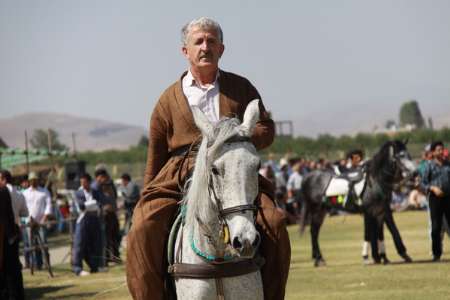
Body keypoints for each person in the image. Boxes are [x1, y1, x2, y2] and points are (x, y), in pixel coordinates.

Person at [126, 17, 290, 300]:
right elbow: (155, 153)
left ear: (221, 49)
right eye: (198, 41)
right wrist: (146, 194)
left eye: (211, 41)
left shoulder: (241, 87)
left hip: (233, 170)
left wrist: (238, 136)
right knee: (142, 228)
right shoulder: (167, 100)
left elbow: (266, 126)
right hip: (180, 174)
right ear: (185, 51)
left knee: (274, 221)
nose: (205, 47)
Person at [420, 141, 450, 261]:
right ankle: (436, 254)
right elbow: (422, 183)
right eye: (438, 150)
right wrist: (432, 188)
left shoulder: (448, 164)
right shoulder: (429, 166)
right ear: (432, 152)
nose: (441, 151)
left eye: (442, 149)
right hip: (435, 199)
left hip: (448, 198)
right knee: (436, 227)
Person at [72, 173, 102, 276]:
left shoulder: (95, 191)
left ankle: (95, 267)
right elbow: (81, 207)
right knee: (79, 244)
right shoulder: (79, 193)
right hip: (83, 220)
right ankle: (77, 268)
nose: (83, 184)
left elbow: (99, 203)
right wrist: (93, 204)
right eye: (81, 182)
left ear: (89, 182)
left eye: (84, 182)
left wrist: (90, 204)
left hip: (94, 219)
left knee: (95, 244)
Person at [22, 171, 52, 270]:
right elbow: (23, 207)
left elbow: (48, 205)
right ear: (29, 181)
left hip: (41, 222)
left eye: (35, 180)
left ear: (38, 180)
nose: (33, 182)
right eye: (32, 180)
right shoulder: (25, 193)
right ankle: (35, 265)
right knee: (31, 245)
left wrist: (45, 217)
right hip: (29, 222)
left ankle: (47, 263)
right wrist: (26, 218)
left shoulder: (44, 191)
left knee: (43, 243)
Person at [0, 184, 25, 299]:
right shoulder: (5, 189)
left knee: (9, 276)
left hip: (6, 237)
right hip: (10, 234)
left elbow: (4, 219)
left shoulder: (2, 189)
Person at [92, 168, 121, 265]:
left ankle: (115, 256)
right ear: (98, 177)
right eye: (103, 177)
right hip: (105, 215)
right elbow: (94, 202)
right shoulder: (95, 188)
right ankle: (109, 258)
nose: (105, 179)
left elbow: (114, 197)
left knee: (115, 236)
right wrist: (104, 208)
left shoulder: (109, 185)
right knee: (107, 238)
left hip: (112, 214)